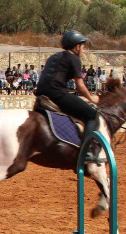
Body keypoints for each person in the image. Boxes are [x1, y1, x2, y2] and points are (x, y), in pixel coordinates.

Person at [35, 30, 101, 162]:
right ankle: (85, 152)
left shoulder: (54, 57)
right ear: (77, 46)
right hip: (57, 93)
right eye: (83, 46)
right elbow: (80, 85)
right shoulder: (74, 59)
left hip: (41, 94)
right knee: (92, 115)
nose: (84, 50)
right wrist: (91, 98)